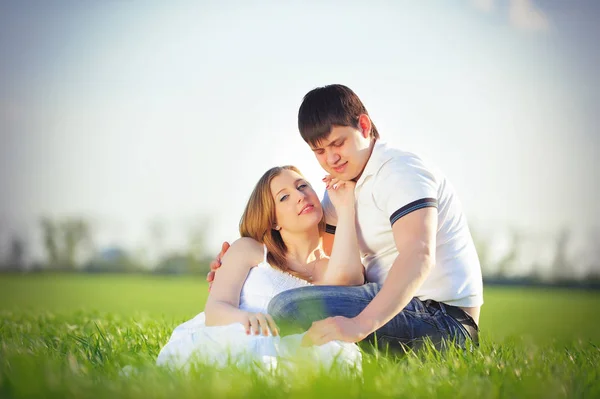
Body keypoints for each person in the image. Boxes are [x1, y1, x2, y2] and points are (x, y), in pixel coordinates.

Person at [207, 84, 483, 352]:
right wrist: (237, 269)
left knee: (291, 308)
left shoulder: (400, 172)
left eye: (338, 143)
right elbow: (324, 266)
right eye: (319, 151)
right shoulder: (339, 191)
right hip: (389, 306)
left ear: (364, 126)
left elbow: (418, 255)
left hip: (443, 319)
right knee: (293, 306)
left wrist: (359, 326)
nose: (331, 158)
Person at [157, 165, 364, 371]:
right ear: (273, 221)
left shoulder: (333, 267)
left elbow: (354, 280)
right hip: (235, 338)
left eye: (302, 186)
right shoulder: (249, 250)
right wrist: (244, 319)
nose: (300, 196)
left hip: (295, 356)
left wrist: (345, 208)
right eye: (284, 197)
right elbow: (215, 309)